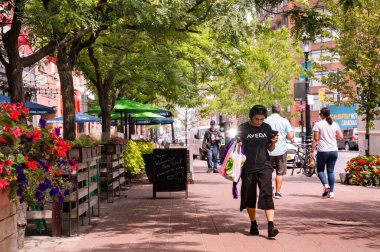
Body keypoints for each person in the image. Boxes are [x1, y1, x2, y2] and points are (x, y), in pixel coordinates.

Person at [237, 105, 279, 239]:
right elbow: (235, 146)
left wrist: (273, 142)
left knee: (267, 193)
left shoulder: (266, 128)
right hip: (248, 167)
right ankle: (253, 223)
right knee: (250, 195)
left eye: (261, 119)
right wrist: (237, 144)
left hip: (264, 165)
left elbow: (271, 149)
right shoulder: (243, 128)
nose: (259, 122)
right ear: (251, 117)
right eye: (256, 119)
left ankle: (271, 226)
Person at [310, 107, 343, 199]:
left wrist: (312, 151)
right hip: (334, 150)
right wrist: (332, 136)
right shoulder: (334, 124)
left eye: (320, 114)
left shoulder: (318, 124)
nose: (319, 116)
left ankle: (326, 185)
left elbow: (316, 139)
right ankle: (331, 192)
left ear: (322, 115)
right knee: (331, 171)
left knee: (320, 170)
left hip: (323, 151)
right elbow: (341, 137)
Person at [265, 103, 294, 199]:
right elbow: (290, 137)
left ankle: (269, 190)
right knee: (280, 172)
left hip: (268, 150)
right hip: (281, 150)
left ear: (271, 110)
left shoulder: (266, 121)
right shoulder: (284, 121)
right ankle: (277, 192)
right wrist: (283, 135)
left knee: (268, 172)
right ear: (280, 110)